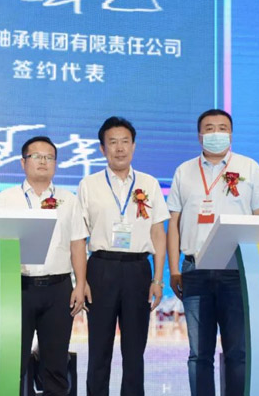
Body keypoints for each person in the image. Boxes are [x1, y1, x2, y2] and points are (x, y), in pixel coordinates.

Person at [166, 109, 259, 396]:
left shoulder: (249, 167)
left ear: (231, 133)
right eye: (210, 128)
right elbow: (173, 223)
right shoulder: (184, 171)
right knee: (199, 355)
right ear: (199, 135)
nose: (216, 133)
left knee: (237, 352)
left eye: (222, 128)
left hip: (236, 270)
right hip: (195, 270)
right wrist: (174, 269)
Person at [78, 116, 169, 396]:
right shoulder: (89, 184)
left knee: (134, 350)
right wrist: (81, 281)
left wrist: (158, 280)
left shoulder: (149, 183)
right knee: (99, 348)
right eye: (113, 142)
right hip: (101, 268)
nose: (119, 148)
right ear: (102, 148)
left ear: (134, 146)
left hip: (137, 270)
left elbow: (158, 233)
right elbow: (78, 236)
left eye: (125, 142)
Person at [0, 136, 90, 396]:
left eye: (49, 157)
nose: (43, 161)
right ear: (23, 162)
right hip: (17, 288)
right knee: (11, 364)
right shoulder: (5, 199)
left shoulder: (69, 199)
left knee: (56, 365)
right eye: (36, 156)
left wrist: (80, 284)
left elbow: (77, 244)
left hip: (58, 289)